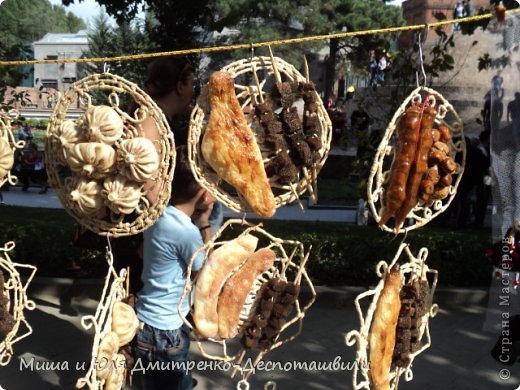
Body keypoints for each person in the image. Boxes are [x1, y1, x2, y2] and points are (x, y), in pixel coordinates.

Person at [135, 146, 215, 389]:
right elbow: (206, 273)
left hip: (144, 320)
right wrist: (204, 224)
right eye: (214, 186)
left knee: (151, 382)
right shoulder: (186, 232)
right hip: (168, 330)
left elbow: (141, 252)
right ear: (204, 195)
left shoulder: (158, 214)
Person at [142, 57, 224, 235]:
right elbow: (150, 189)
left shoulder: (157, 118)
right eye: (191, 85)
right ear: (180, 87)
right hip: (165, 228)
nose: (192, 91)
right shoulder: (150, 123)